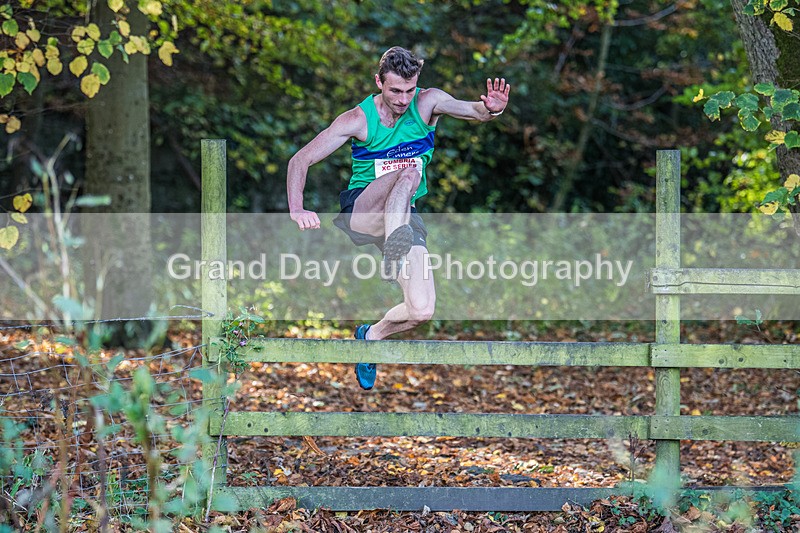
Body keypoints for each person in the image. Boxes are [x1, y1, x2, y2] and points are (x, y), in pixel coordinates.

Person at [287, 46, 510, 390]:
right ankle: (394, 252)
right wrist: (297, 208)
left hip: (404, 214)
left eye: (409, 90)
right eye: (395, 91)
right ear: (379, 82)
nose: (403, 100)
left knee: (421, 310)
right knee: (410, 171)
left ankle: (371, 336)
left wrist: (491, 110)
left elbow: (474, 111)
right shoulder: (358, 119)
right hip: (365, 210)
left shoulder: (428, 102)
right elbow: (300, 160)